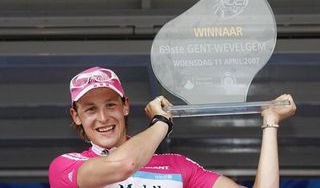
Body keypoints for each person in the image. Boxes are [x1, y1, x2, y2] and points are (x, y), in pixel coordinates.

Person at [49, 66, 296, 188]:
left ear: (125, 107)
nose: (103, 117)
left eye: (111, 105)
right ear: (76, 115)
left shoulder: (177, 166)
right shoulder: (66, 165)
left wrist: (270, 123)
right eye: (90, 109)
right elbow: (123, 165)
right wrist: (161, 123)